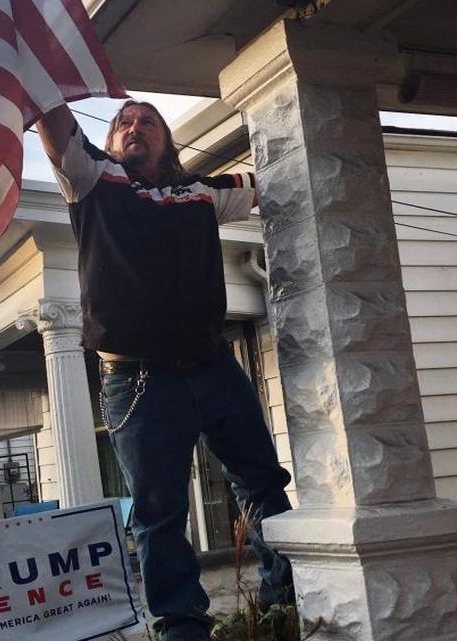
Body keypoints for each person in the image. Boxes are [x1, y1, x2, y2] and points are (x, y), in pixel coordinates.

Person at [36, 101, 294, 641]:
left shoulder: (202, 191)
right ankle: (182, 628)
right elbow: (54, 123)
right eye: (123, 123)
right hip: (137, 381)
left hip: (215, 367)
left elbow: (280, 171)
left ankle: (285, 598)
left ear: (167, 141)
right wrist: (37, 73)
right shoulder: (92, 179)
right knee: (159, 515)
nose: (135, 127)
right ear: (108, 144)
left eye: (148, 121)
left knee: (264, 482)